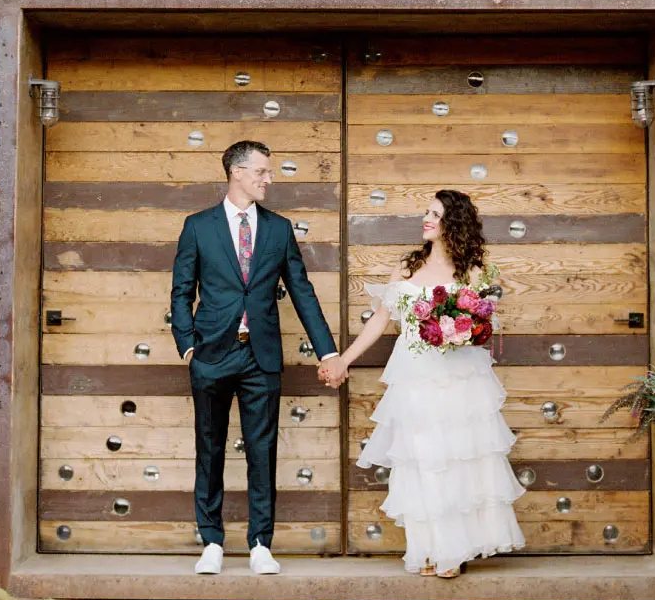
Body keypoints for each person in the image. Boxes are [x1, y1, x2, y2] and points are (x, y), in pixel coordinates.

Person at [319, 189, 525, 577]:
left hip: (460, 376)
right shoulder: (407, 268)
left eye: (435, 214)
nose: (426, 219)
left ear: (454, 223)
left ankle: (454, 551)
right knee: (422, 460)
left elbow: (485, 324)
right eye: (426, 213)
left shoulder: (473, 271)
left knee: (457, 459)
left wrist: (463, 330)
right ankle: (430, 549)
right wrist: (343, 359)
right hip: (416, 374)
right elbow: (380, 321)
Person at [171, 140, 346, 576]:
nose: (269, 179)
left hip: (261, 356)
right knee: (208, 449)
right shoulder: (198, 226)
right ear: (236, 172)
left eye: (269, 173)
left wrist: (328, 350)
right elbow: (181, 290)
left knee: (262, 451)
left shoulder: (279, 229)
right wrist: (188, 344)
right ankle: (210, 540)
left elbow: (302, 292)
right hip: (211, 355)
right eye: (263, 172)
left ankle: (260, 543)